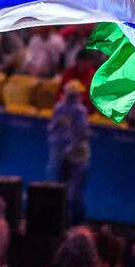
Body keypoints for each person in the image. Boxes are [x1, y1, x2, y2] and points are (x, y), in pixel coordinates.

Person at [48, 80, 91, 224]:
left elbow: (53, 129)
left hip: (71, 155)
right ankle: (70, 221)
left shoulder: (65, 109)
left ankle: (68, 220)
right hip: (73, 157)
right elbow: (83, 133)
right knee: (71, 192)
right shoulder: (77, 110)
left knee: (69, 191)